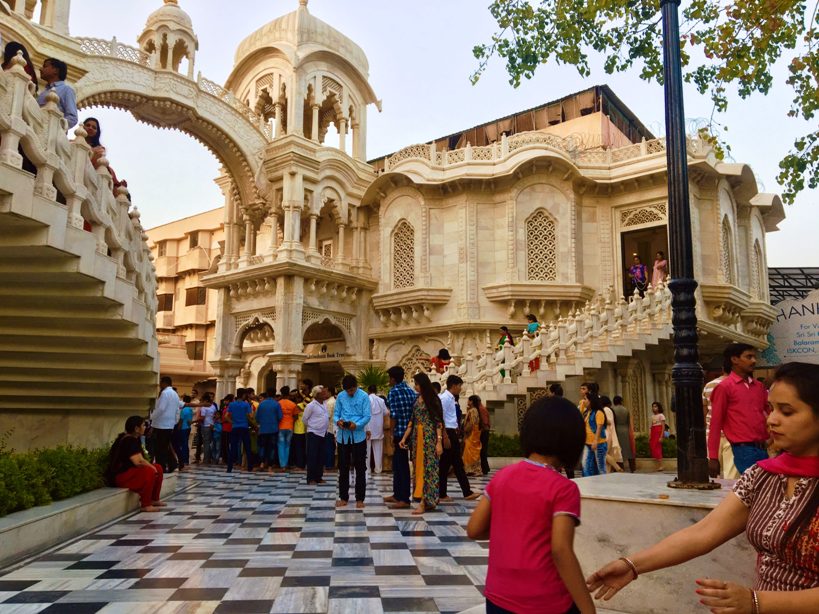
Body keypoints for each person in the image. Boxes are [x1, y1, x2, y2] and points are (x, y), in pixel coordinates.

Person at [587, 362, 819, 613]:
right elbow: (703, 533)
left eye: (787, 412)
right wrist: (632, 564)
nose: (772, 419)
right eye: (771, 408)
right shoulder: (763, 476)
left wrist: (757, 602)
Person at [467, 397, 593, 614]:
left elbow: (474, 529)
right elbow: (561, 550)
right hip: (545, 601)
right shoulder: (563, 488)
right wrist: (588, 608)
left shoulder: (502, 477)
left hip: (498, 598)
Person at [709, 343, 769, 476]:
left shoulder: (759, 386)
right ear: (734, 359)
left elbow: (768, 414)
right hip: (743, 449)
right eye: (749, 356)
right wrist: (713, 457)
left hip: (764, 447)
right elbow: (715, 423)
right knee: (755, 488)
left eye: (754, 357)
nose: (754, 360)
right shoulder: (724, 387)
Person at [399, 373, 445, 515]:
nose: (415, 386)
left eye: (417, 384)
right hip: (417, 439)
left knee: (429, 469)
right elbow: (412, 422)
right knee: (418, 469)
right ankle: (424, 499)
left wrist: (439, 442)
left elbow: (438, 422)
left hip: (429, 438)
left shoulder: (433, 400)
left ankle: (426, 501)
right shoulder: (416, 400)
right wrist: (404, 438)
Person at [106, 416, 166, 513]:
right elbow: (138, 462)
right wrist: (151, 468)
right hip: (121, 476)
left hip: (129, 473)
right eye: (143, 425)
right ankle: (145, 504)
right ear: (136, 428)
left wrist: (153, 468)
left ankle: (154, 499)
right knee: (149, 471)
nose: (145, 427)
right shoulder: (129, 440)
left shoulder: (133, 438)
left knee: (158, 468)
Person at [438, 375, 480, 501]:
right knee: (457, 463)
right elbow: (441, 417)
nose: (460, 389)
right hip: (448, 433)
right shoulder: (445, 398)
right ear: (454, 385)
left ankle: (442, 493)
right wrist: (444, 436)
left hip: (451, 432)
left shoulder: (450, 398)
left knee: (445, 465)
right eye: (460, 386)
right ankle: (466, 492)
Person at [335, 374, 371, 508]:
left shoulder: (363, 396)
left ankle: (360, 499)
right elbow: (336, 414)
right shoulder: (340, 396)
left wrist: (357, 425)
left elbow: (367, 416)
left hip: (358, 436)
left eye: (352, 390)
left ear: (356, 386)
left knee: (360, 468)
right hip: (343, 437)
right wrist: (338, 421)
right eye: (347, 391)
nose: (350, 393)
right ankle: (343, 497)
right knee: (343, 467)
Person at [384, 366, 416, 510]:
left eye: (389, 378)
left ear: (393, 378)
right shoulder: (411, 391)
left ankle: (404, 498)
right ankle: (397, 494)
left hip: (399, 433)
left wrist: (391, 434)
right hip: (410, 432)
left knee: (401, 465)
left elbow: (394, 416)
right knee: (398, 464)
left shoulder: (393, 392)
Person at [702, 369, 739, 479]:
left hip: (711, 434)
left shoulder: (709, 385)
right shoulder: (737, 385)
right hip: (732, 435)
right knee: (731, 476)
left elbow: (704, 411)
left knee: (712, 475)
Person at [152, 376, 181, 473]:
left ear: (164, 383)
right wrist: (174, 422)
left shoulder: (165, 393)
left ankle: (161, 467)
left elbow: (161, 408)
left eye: (161, 382)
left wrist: (151, 417)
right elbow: (177, 410)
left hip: (161, 424)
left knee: (160, 448)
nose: (160, 385)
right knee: (166, 446)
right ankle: (172, 464)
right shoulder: (175, 394)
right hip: (169, 425)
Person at [37, 58, 77, 128]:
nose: (40, 69)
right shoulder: (44, 92)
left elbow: (72, 118)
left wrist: (54, 128)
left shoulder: (66, 90)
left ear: (56, 70)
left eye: (45, 66)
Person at [303, 385, 330, 485]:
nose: (325, 394)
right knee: (312, 456)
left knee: (321, 456)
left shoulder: (324, 404)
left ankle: (319, 477)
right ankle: (311, 479)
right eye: (323, 393)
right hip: (314, 433)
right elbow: (304, 419)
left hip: (323, 433)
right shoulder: (311, 406)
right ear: (317, 394)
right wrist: (313, 426)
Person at [580, 382, 607, 477]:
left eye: (586, 400)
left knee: (600, 467)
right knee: (586, 464)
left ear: (591, 401)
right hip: (588, 442)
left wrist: (595, 441)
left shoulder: (599, 412)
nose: (584, 401)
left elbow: (599, 428)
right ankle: (589, 483)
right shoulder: (588, 412)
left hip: (598, 443)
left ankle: (604, 485)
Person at [226, 389, 254, 473]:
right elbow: (251, 416)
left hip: (235, 427)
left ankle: (229, 468)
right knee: (247, 447)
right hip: (244, 427)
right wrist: (250, 406)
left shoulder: (231, 404)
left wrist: (232, 422)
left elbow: (226, 416)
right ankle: (249, 467)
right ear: (243, 395)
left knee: (233, 447)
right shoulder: (246, 404)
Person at [255, 388, 282, 472]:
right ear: (274, 394)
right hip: (273, 429)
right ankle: (270, 466)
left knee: (262, 447)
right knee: (272, 448)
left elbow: (257, 417)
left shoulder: (261, 404)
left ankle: (262, 463)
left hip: (263, 429)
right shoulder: (276, 404)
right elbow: (280, 417)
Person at [366, 384, 388, 474]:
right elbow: (386, 412)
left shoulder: (366, 399)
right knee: (378, 450)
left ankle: (367, 469)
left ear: (368, 391)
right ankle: (378, 469)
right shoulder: (381, 400)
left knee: (366, 450)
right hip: (378, 427)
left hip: (368, 427)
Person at [611, 396, 636, 472]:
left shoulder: (612, 410)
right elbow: (629, 422)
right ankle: (632, 467)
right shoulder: (626, 410)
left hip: (617, 430)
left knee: (618, 450)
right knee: (628, 449)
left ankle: (620, 467)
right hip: (626, 430)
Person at [600, 396, 623, 473]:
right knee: (607, 455)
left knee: (604, 453)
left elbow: (608, 421)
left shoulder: (606, 409)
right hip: (608, 433)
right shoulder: (608, 410)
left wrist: (599, 420)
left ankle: (617, 467)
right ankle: (608, 473)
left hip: (607, 434)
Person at [277, 386, 297, 472]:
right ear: (288, 393)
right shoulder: (292, 404)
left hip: (280, 426)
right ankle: (286, 463)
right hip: (289, 427)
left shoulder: (278, 403)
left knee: (281, 445)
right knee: (287, 446)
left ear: (281, 393)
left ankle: (282, 465)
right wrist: (291, 421)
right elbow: (296, 416)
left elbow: (277, 416)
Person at [462, 394, 483, 476]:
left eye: (468, 400)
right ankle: (473, 469)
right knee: (472, 451)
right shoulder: (475, 410)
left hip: (471, 433)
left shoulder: (472, 411)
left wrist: (466, 431)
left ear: (471, 401)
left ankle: (471, 469)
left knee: (469, 450)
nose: (467, 401)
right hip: (475, 432)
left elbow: (471, 423)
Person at [290, 388, 307, 471]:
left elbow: (295, 417)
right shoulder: (305, 405)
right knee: (302, 448)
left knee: (298, 448)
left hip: (298, 428)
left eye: (296, 397)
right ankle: (302, 464)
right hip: (304, 428)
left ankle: (300, 465)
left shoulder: (298, 405)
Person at [648, 402, 666, 471]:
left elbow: (663, 427)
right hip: (653, 432)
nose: (654, 408)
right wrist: (650, 435)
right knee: (653, 447)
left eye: (655, 406)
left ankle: (661, 465)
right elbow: (651, 426)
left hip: (658, 432)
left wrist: (661, 436)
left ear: (659, 407)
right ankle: (658, 465)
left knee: (658, 448)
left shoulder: (661, 415)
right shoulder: (652, 416)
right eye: (653, 406)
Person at [478, 395, 492, 475]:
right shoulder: (482, 408)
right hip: (485, 431)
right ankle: (485, 467)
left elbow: (485, 422)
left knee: (483, 450)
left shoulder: (481, 409)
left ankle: (484, 468)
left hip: (484, 432)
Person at [324, 387, 337, 471]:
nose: (324, 393)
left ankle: (329, 465)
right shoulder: (334, 401)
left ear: (329, 392)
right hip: (334, 428)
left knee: (329, 447)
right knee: (331, 447)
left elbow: (327, 417)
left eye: (325, 392)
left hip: (329, 428)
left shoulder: (329, 403)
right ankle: (331, 464)